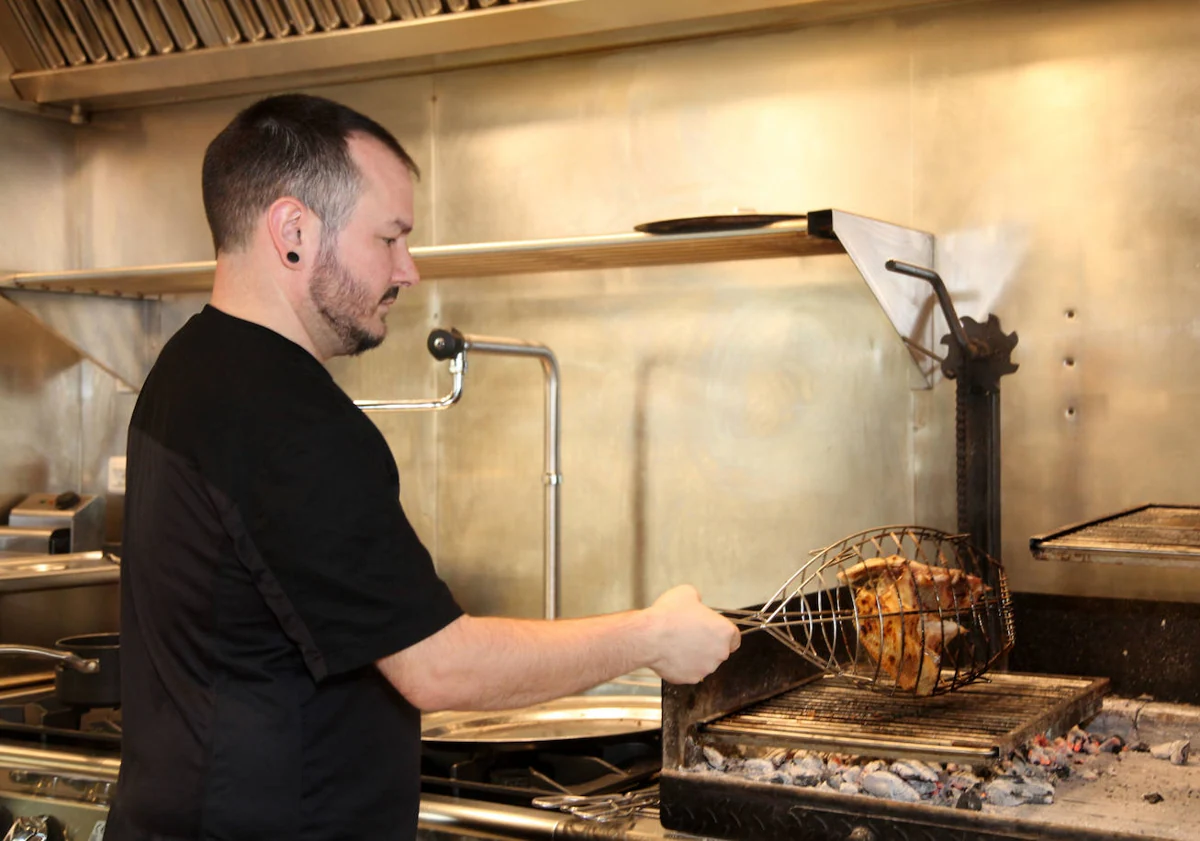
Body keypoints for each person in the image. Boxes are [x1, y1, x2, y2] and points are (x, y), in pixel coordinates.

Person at [104, 93, 741, 841]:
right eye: (390, 237)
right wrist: (652, 636)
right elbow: (438, 667)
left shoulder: (189, 370)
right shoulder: (289, 419)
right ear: (293, 232)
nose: (407, 269)